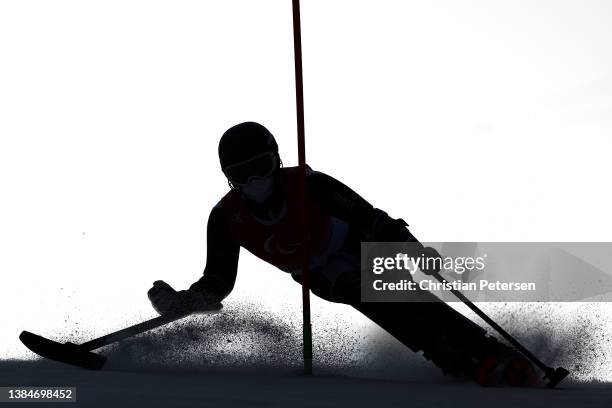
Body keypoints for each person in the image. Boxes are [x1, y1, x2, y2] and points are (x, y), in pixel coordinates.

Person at [147, 122, 537, 386]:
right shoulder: (226, 218)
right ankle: (455, 358)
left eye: (262, 168)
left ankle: (483, 350)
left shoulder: (309, 184)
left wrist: (408, 246)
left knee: (392, 288)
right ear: (229, 179)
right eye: (242, 176)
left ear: (276, 160)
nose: (256, 183)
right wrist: (186, 301)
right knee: (358, 287)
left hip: (354, 246)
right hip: (319, 273)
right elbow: (218, 280)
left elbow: (368, 217)